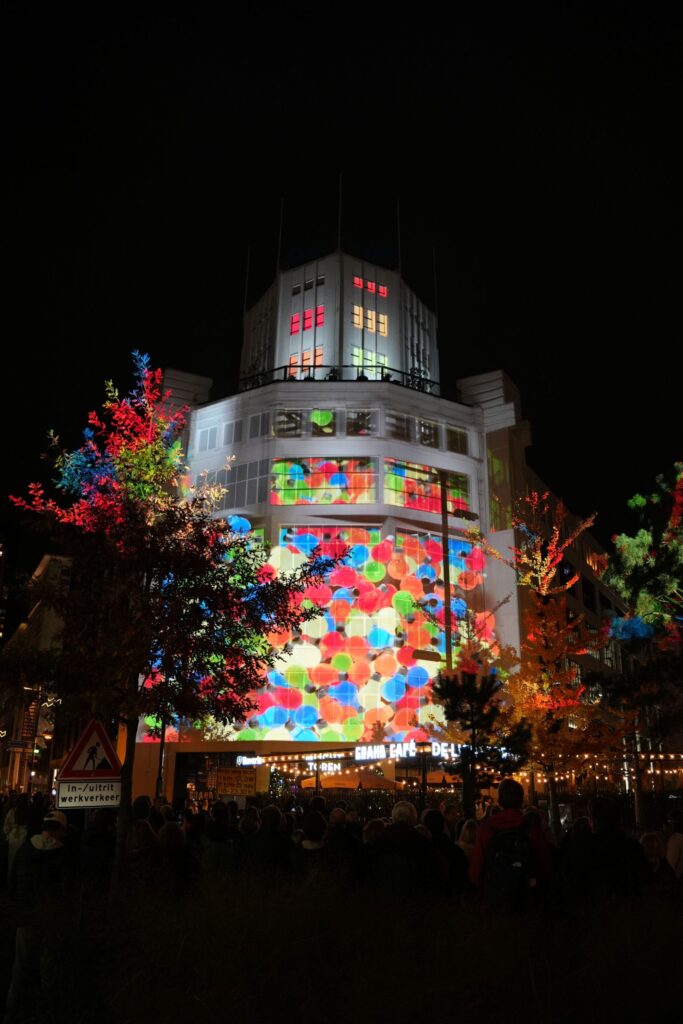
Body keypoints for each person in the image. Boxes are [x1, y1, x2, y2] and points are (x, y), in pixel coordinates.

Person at [468, 778, 553, 911]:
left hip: (495, 898)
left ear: (499, 800)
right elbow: (546, 865)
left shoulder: (487, 829)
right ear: (521, 800)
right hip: (526, 898)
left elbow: (475, 871)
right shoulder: (532, 830)